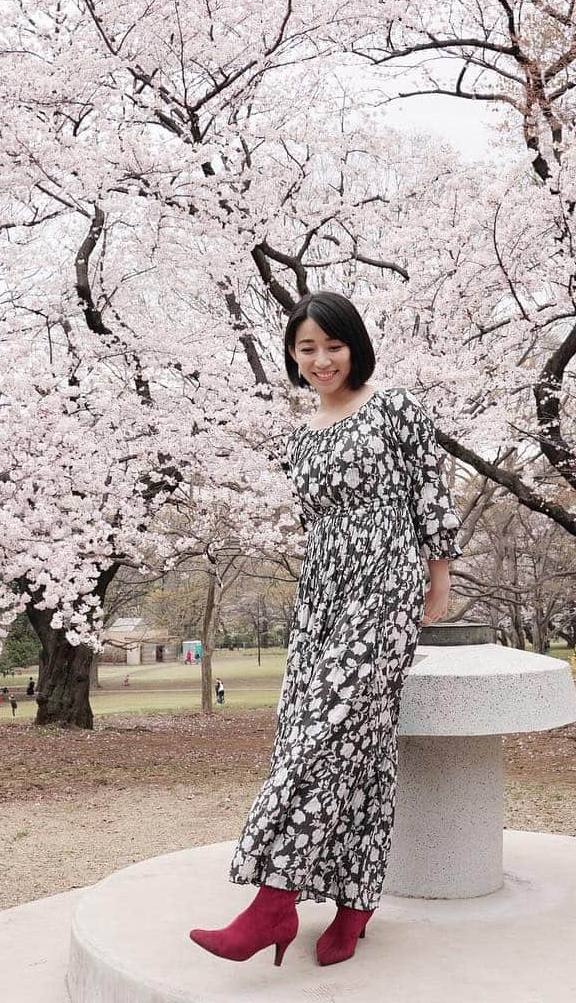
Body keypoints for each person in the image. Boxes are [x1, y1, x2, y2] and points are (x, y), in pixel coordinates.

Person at [190, 291, 462, 969]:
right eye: (305, 348)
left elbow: (431, 491)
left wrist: (439, 577)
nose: (320, 360)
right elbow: (318, 526)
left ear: (355, 345)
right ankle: (353, 901)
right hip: (323, 593)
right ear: (292, 354)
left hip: (386, 584)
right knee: (352, 743)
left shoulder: (395, 407)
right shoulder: (302, 434)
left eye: (332, 346)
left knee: (323, 731)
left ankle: (273, 902)